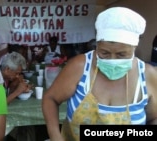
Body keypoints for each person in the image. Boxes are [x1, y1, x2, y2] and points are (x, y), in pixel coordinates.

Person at [42, 7, 157, 141]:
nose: (112, 60)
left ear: (134, 47)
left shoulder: (148, 75)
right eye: (104, 53)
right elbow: (50, 99)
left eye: (121, 55)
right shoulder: (80, 67)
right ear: (96, 45)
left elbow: (154, 118)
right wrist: (56, 137)